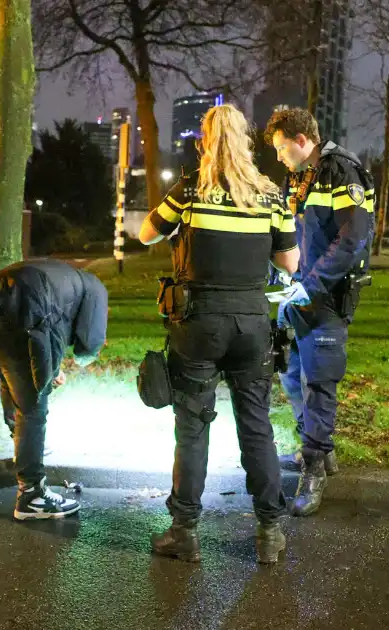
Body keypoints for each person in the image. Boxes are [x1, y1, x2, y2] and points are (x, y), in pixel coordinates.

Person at [138, 103, 300, 564]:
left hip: (198, 323)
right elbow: (290, 263)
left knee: (192, 429)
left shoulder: (190, 190)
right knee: (256, 427)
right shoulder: (271, 195)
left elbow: (148, 233)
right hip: (251, 323)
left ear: (205, 141)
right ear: (247, 140)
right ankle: (270, 532)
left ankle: (184, 532)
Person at [265, 107, 375, 517]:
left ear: (300, 140)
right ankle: (315, 450)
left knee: (319, 382)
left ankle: (315, 469)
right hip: (298, 293)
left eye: (280, 148)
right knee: (291, 374)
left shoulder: (342, 172)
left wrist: (309, 287)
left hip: (325, 296)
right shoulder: (301, 176)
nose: (278, 157)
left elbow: (352, 240)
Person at [0, 258, 108, 521]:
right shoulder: (96, 289)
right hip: (15, 319)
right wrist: (64, 365)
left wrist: (54, 369)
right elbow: (89, 345)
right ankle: (32, 496)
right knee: (33, 403)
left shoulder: (65, 276)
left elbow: (47, 317)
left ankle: (24, 446)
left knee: (12, 379)